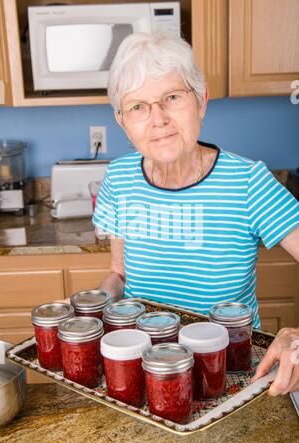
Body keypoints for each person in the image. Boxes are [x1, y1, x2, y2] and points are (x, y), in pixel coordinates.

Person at [91, 31, 299, 394]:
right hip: (145, 376)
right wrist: (94, 307)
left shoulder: (248, 182)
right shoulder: (119, 178)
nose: (158, 119)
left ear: (201, 101)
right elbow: (119, 274)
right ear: (122, 121)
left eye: (172, 97)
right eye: (138, 106)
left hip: (231, 377)